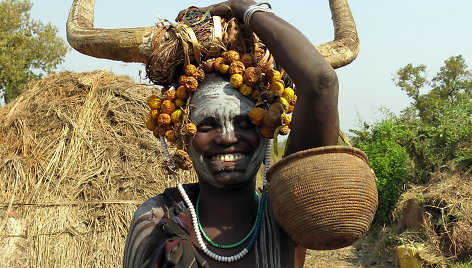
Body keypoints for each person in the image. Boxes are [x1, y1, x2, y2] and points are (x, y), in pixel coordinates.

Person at [123, 0, 339, 267]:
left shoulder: (286, 214)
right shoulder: (158, 220)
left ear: (267, 129)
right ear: (182, 135)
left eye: (246, 123)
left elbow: (322, 84)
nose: (227, 138)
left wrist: (245, 8)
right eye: (207, 125)